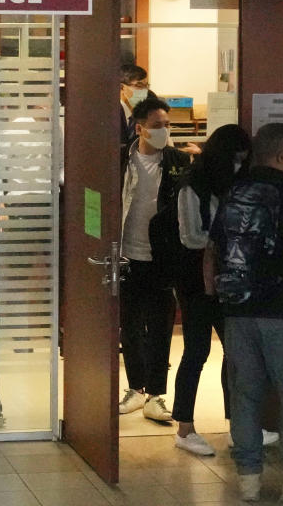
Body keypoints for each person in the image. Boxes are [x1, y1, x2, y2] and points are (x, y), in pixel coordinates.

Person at [204, 122, 283, 503]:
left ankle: (248, 479)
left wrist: (215, 297)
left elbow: (210, 252)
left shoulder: (233, 192)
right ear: (281, 155)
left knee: (245, 395)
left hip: (237, 309)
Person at [172, 124, 251, 456]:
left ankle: (237, 424)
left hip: (226, 279)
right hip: (195, 281)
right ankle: (185, 427)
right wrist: (228, 241)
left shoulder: (230, 185)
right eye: (234, 159)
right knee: (196, 351)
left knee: (235, 353)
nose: (238, 165)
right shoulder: (192, 187)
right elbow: (190, 236)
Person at [118, 97, 190, 422]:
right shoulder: (121, 159)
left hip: (162, 258)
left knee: (161, 327)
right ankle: (135, 388)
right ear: (140, 128)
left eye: (167, 125)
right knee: (130, 326)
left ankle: (156, 395)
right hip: (126, 256)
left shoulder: (178, 161)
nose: (164, 131)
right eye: (157, 125)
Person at [120, 64, 156, 149]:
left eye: (146, 86)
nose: (144, 91)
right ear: (121, 87)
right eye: (139, 86)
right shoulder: (111, 115)